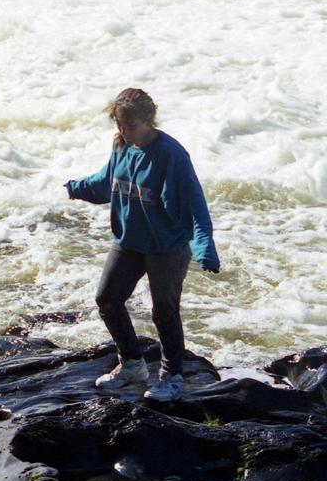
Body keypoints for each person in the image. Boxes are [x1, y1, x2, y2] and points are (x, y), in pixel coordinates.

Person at [64, 88, 219, 402]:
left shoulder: (171, 155)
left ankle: (171, 374)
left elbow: (195, 206)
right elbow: (108, 182)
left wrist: (205, 249)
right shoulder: (122, 144)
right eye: (119, 125)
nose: (123, 131)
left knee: (164, 312)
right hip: (130, 241)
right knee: (107, 299)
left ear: (149, 120)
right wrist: (76, 188)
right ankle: (132, 364)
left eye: (130, 125)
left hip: (167, 248)